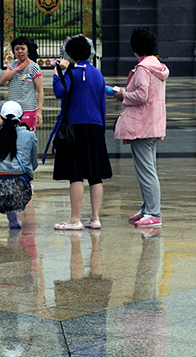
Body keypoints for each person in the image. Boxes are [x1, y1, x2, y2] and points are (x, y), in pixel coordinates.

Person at [51, 36, 111, 230]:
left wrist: (57, 73)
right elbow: (102, 104)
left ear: (70, 54)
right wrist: (101, 128)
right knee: (95, 174)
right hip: (95, 126)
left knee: (76, 174)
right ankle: (95, 217)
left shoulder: (72, 73)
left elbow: (60, 91)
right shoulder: (97, 75)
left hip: (76, 126)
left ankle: (75, 219)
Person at [113, 29, 169, 227]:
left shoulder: (144, 68)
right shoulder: (157, 66)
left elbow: (141, 95)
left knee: (146, 170)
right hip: (152, 124)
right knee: (148, 168)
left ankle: (154, 213)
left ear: (135, 48)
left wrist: (122, 94)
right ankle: (147, 208)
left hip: (143, 125)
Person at [0, 100, 37, 230]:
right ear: (20, 117)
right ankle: (13, 217)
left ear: (1, 117)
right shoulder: (29, 135)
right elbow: (33, 163)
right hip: (18, 189)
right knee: (12, 184)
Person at [0, 37, 44, 130]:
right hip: (12, 110)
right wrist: (18, 69)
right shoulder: (12, 65)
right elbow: (2, 80)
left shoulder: (34, 67)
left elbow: (40, 90)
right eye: (17, 49)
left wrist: (39, 111)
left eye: (23, 48)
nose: (20, 51)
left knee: (27, 138)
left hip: (29, 110)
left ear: (28, 50)